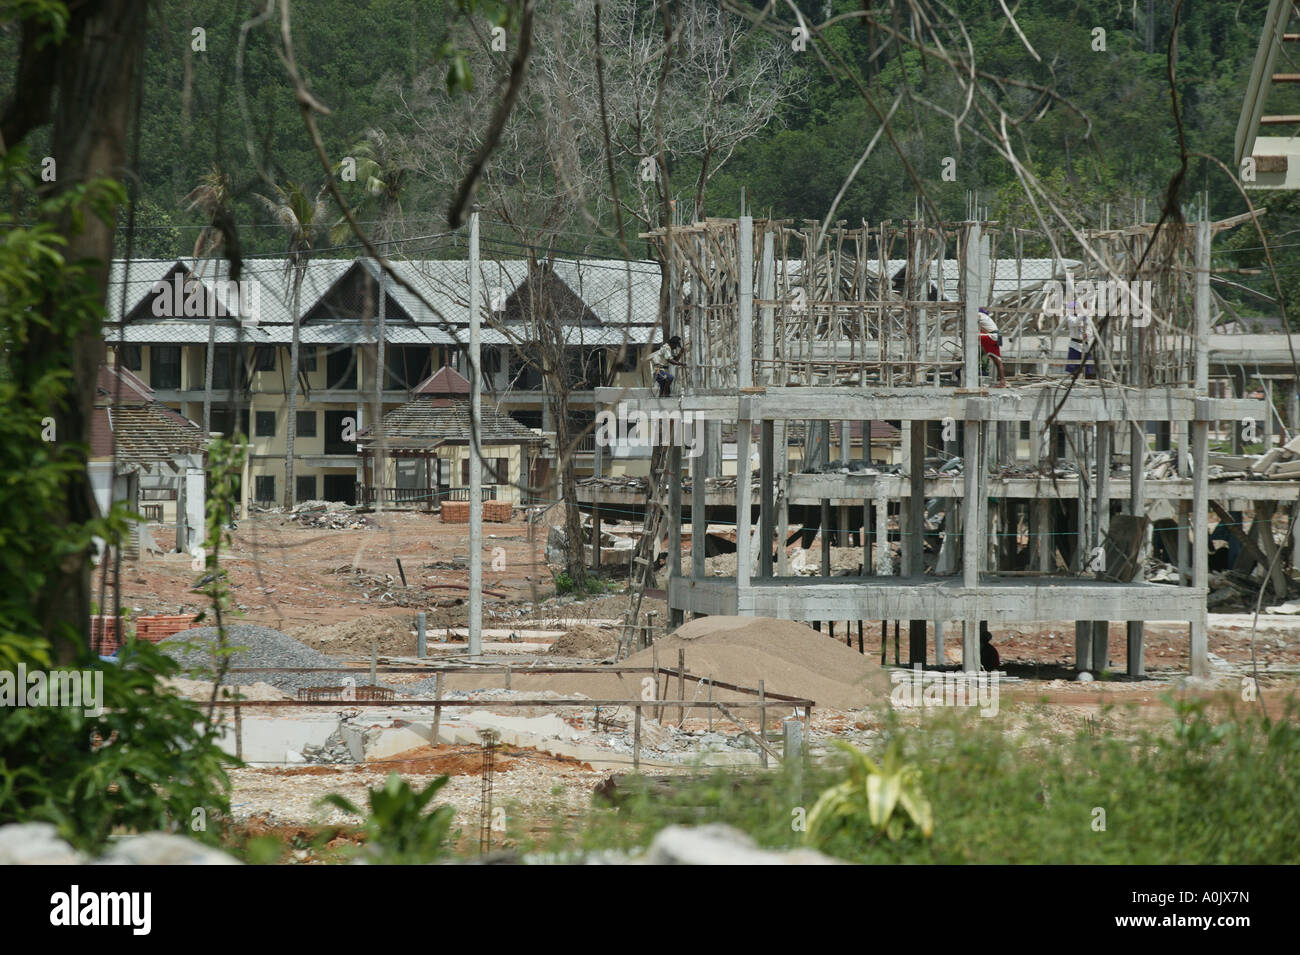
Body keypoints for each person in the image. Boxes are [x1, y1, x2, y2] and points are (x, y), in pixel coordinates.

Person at [1064, 301, 1096, 379]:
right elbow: (1075, 323)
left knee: (1088, 364)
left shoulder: (1085, 317)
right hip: (1074, 344)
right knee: (1073, 366)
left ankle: (1089, 379)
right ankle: (1073, 380)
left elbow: (1090, 329)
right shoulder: (1070, 317)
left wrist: (1087, 335)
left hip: (1084, 344)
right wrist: (1082, 316)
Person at [977, 307, 1007, 387]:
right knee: (997, 360)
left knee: (971, 336)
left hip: (992, 336)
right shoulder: (986, 318)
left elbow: (971, 326)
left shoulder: (978, 315)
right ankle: (1002, 381)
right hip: (995, 336)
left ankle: (1002, 382)